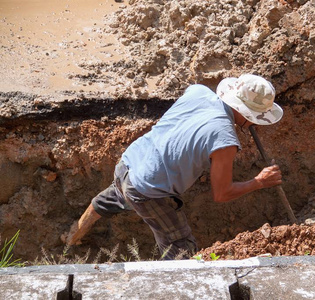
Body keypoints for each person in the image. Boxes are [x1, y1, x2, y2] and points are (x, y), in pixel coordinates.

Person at [62, 74, 284, 259]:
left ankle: (72, 236)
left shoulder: (199, 91)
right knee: (180, 248)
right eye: (256, 118)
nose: (256, 124)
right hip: (147, 190)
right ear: (247, 114)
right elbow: (222, 193)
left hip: (130, 163)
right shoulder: (224, 140)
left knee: (116, 196)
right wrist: (259, 182)